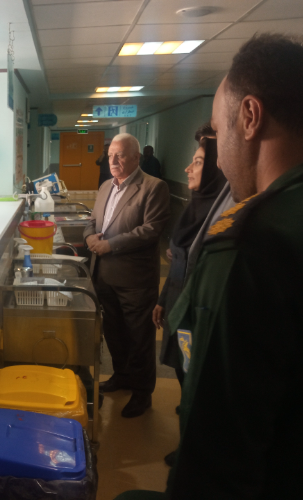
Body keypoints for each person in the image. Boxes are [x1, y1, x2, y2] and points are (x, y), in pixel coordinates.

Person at [117, 32, 303, 500]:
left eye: (219, 133)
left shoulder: (250, 244)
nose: (218, 158)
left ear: (250, 117)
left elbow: (218, 453)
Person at [150, 124, 224, 467]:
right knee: (184, 373)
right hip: (178, 305)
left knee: (197, 380)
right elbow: (179, 262)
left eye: (197, 162)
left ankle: (193, 451)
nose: (188, 168)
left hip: (196, 315)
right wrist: (163, 299)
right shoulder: (196, 207)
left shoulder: (221, 215)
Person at [84, 133, 170, 418]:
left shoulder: (153, 187)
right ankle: (121, 375)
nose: (113, 160)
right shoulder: (105, 186)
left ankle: (142, 392)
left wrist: (110, 245)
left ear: (136, 157)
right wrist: (89, 237)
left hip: (135, 280)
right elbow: (92, 221)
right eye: (110, 155)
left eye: (119, 155)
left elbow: (150, 230)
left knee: (139, 337)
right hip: (104, 275)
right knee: (114, 332)